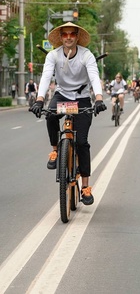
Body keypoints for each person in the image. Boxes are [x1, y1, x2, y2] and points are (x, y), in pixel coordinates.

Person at [29, 22, 106, 205]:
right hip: (62, 95)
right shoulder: (53, 55)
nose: (69, 37)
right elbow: (46, 76)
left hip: (81, 99)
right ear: (61, 37)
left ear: (77, 37)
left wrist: (99, 98)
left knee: (82, 143)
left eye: (72, 34)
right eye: (65, 34)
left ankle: (86, 187)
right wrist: (40, 100)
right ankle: (55, 150)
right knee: (50, 115)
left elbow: (94, 76)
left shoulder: (86, 55)